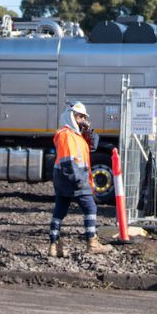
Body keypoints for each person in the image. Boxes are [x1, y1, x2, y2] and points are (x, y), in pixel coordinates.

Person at [48, 102, 112, 257]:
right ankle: (92, 243)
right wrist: (79, 180)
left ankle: (54, 245)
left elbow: (92, 146)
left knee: (60, 210)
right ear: (71, 116)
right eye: (80, 116)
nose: (83, 119)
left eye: (84, 116)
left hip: (66, 179)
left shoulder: (76, 135)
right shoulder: (66, 134)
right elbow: (68, 162)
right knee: (90, 208)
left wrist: (88, 131)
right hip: (73, 178)